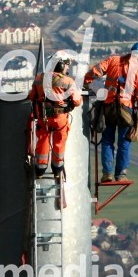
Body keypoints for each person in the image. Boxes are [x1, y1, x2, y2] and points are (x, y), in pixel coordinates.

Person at [83, 42, 138, 183]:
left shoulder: (113, 60)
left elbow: (96, 71)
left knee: (107, 141)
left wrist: (87, 80)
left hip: (108, 108)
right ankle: (121, 174)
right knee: (124, 142)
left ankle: (107, 173)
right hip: (126, 111)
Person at [28, 51, 83, 181]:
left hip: (44, 117)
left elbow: (32, 97)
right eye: (67, 65)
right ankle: (57, 171)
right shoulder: (68, 81)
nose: (68, 68)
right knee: (59, 144)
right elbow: (76, 101)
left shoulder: (39, 79)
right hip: (60, 118)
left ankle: (40, 170)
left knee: (43, 143)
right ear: (61, 65)